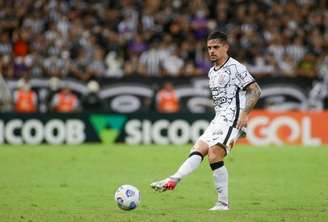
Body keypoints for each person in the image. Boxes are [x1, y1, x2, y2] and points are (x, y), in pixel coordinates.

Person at [151, 30, 261, 211]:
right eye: (209, 48)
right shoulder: (212, 72)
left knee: (214, 154)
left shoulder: (236, 67)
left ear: (226, 47)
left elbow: (255, 91)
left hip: (234, 118)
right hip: (219, 119)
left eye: (216, 47)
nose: (211, 51)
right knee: (198, 149)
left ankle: (223, 204)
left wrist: (244, 113)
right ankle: (173, 179)